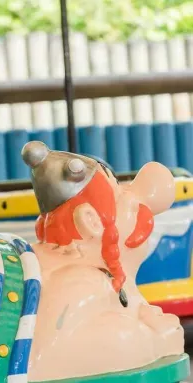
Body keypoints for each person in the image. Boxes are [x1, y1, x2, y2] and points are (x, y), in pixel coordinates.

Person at [20, 141, 183, 381]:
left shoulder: (101, 274)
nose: (133, 196)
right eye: (119, 193)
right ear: (91, 221)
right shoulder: (81, 279)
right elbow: (43, 357)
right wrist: (153, 337)